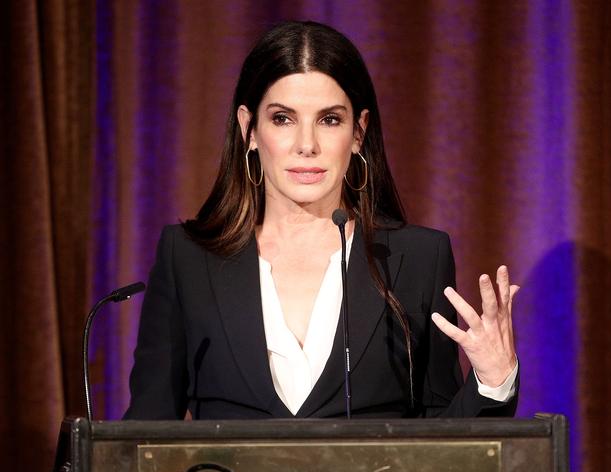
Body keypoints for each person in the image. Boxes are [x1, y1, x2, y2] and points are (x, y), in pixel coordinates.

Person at [123, 21, 519, 421]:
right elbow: (146, 434)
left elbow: (447, 446)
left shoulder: (418, 258)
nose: (307, 145)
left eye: (329, 120)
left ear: (358, 132)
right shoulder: (188, 258)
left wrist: (494, 380)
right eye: (283, 118)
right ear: (250, 129)